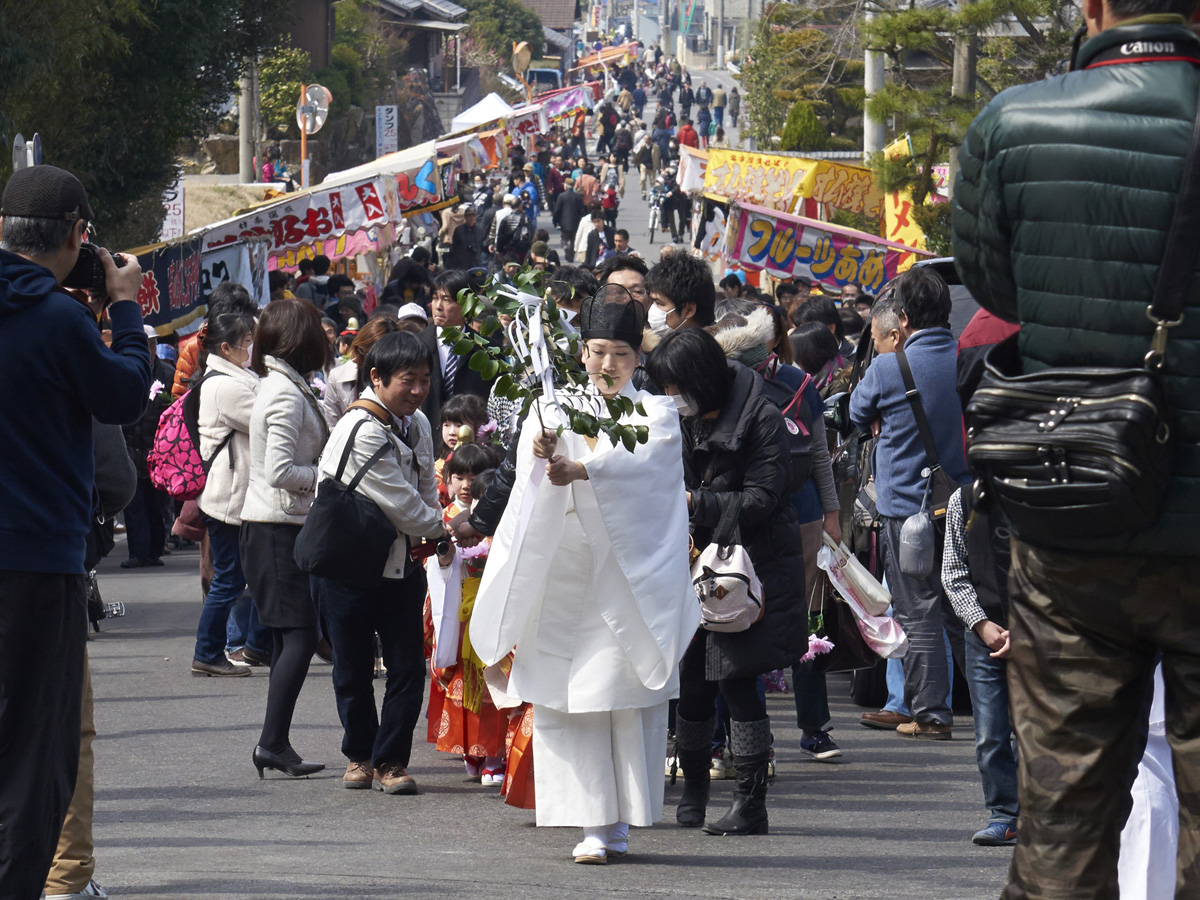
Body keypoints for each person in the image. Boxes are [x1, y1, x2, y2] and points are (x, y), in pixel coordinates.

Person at [951, 0, 1200, 893]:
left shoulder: (1013, 122)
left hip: (1073, 514)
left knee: (1064, 813)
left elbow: (996, 283)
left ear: (1094, 7)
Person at [470, 286, 699, 864]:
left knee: (618, 698)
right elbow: (530, 472)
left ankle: (615, 821)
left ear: (638, 357)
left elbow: (649, 471)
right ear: (581, 353)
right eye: (597, 351)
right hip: (564, 570)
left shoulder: (655, 413)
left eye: (621, 353)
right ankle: (590, 819)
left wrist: (587, 471)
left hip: (624, 580)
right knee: (566, 703)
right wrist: (541, 444)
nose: (607, 365)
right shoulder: (555, 405)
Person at [0, 164, 150, 899]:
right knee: (40, 744)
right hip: (37, 560)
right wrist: (123, 309)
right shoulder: (59, 321)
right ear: (77, 235)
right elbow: (124, 395)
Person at [645, 328, 806, 835]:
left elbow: (762, 499)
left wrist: (695, 503)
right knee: (692, 683)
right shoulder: (681, 418)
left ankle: (750, 803)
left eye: (677, 387)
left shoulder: (761, 419)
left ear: (703, 380)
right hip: (691, 566)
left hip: (746, 569)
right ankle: (693, 790)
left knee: (737, 684)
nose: (672, 398)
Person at [312, 330, 447, 794]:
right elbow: (405, 505)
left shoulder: (419, 423)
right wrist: (443, 528)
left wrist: (433, 528)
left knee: (407, 666)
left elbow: (426, 485)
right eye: (408, 381)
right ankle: (359, 755)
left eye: (425, 380)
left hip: (401, 564)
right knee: (351, 665)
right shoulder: (361, 428)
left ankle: (391, 762)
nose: (417, 390)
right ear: (376, 377)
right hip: (349, 565)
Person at [848, 268, 971, 741]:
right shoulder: (965, 359)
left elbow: (856, 412)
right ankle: (992, 704)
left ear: (901, 317)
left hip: (906, 509)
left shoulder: (887, 367)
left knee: (918, 610)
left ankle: (931, 713)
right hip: (962, 502)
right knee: (966, 609)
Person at [241, 299, 331, 779]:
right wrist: (325, 475)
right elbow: (279, 470)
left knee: (288, 637)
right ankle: (271, 742)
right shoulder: (283, 392)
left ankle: (276, 742)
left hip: (280, 524)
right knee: (300, 634)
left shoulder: (285, 385)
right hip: (276, 525)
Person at [941, 485, 1018, 847]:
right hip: (983, 631)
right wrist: (981, 624)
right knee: (990, 733)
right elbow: (953, 573)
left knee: (1036, 731)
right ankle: (1004, 813)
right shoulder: (963, 500)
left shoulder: (1043, 496)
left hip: (1038, 630)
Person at [426, 444, 508, 784]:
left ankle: (495, 752)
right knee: (467, 685)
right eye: (458, 478)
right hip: (464, 618)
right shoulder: (452, 526)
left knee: (497, 686)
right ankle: (472, 748)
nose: (465, 487)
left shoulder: (505, 535)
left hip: (497, 615)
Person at [191, 312, 262, 678]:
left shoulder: (237, 377)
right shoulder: (226, 386)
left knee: (245, 575)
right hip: (227, 497)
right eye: (247, 341)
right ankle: (208, 652)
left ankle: (255, 646)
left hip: (234, 495)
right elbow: (270, 420)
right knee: (230, 579)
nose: (252, 347)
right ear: (226, 348)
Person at [419, 270, 496, 423]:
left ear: (467, 304)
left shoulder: (487, 352)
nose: (438, 306)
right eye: (435, 299)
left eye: (446, 300)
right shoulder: (417, 346)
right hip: (426, 440)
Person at [644, 252, 717, 338]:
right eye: (653, 302)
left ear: (689, 310)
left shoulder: (712, 350)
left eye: (660, 303)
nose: (652, 310)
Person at [553, 178, 586, 264]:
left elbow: (557, 210)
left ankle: (565, 247)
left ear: (566, 185)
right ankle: (571, 256)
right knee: (573, 239)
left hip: (564, 222)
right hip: (575, 221)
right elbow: (582, 210)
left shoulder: (561, 196)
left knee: (564, 239)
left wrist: (555, 220)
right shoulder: (577, 196)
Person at [445, 204, 482, 271]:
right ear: (465, 217)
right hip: (463, 262)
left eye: (473, 216)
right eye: (469, 216)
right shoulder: (459, 230)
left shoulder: (479, 230)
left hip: (476, 262)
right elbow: (454, 246)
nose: (471, 218)